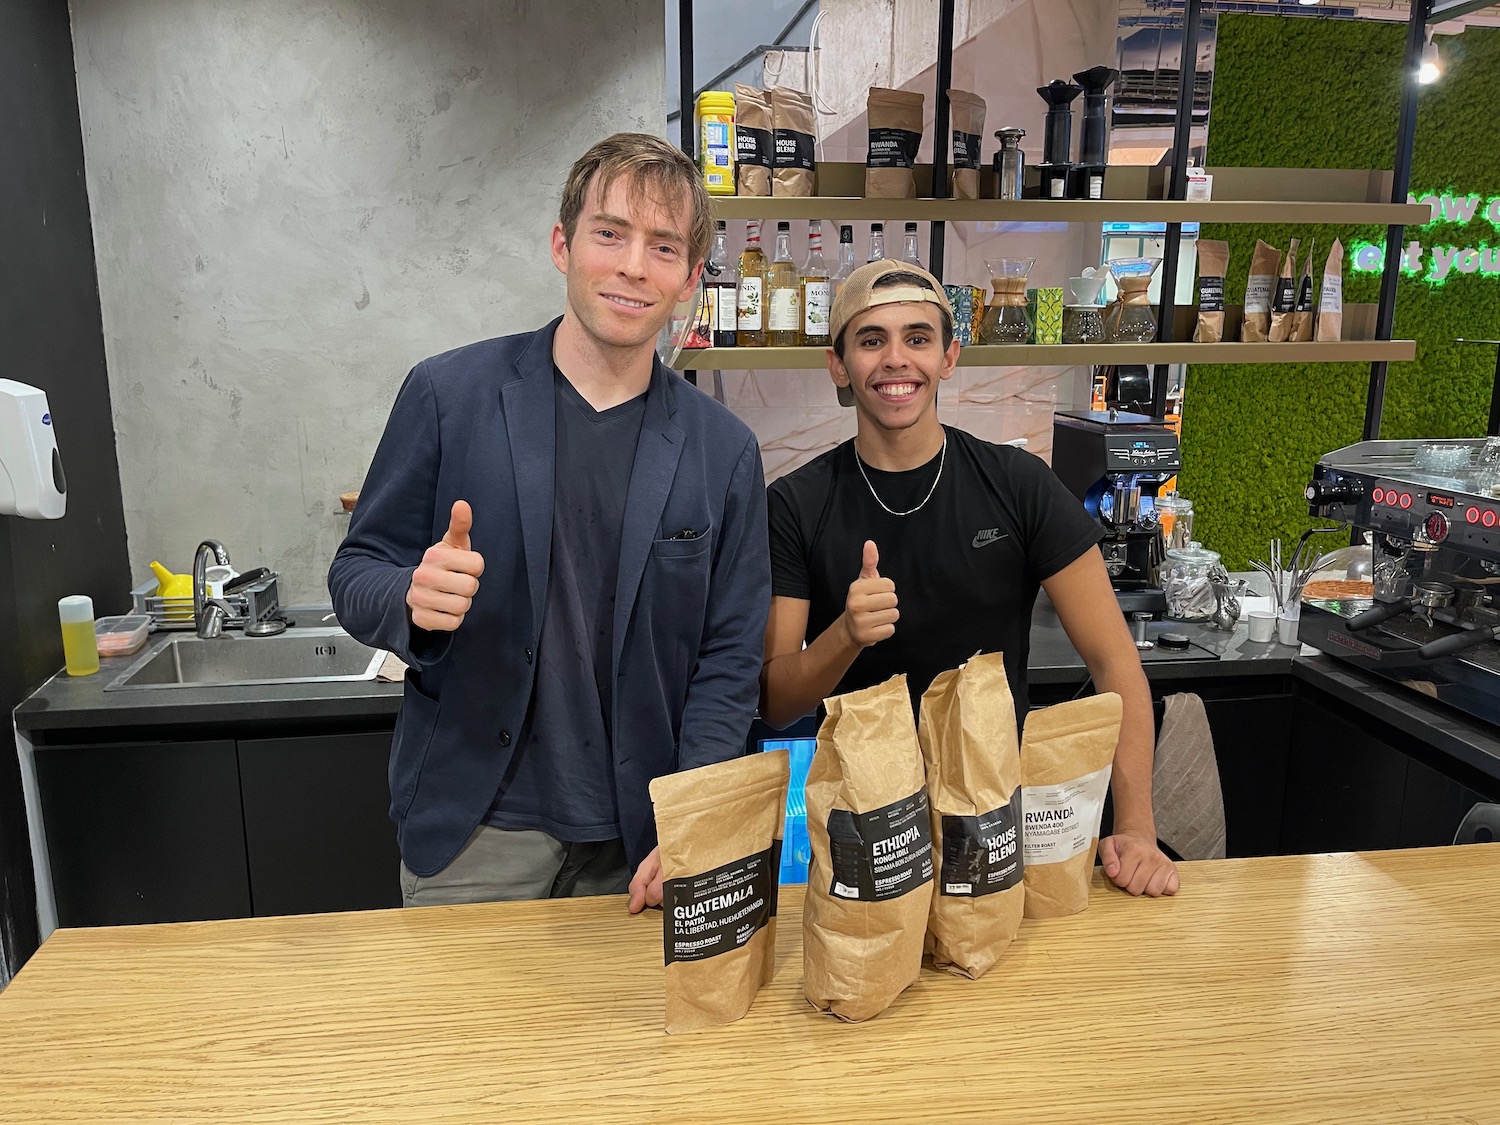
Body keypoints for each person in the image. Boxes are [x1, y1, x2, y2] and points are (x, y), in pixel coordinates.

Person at [330, 133, 770, 914]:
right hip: (477, 834)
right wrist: (410, 597)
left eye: (663, 247)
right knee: (463, 1039)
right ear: (563, 244)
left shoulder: (723, 450)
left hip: (643, 841)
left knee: (625, 1043)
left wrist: (697, 820)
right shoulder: (447, 394)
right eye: (611, 233)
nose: (635, 265)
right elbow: (357, 568)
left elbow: (728, 659)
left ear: (690, 279)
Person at [760, 259, 1178, 897]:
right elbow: (776, 697)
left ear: (949, 357)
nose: (896, 359)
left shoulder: (1017, 485)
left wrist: (1139, 829)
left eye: (917, 338)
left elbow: (1115, 662)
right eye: (871, 341)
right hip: (861, 817)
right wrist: (844, 635)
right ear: (839, 365)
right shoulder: (796, 503)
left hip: (993, 812)